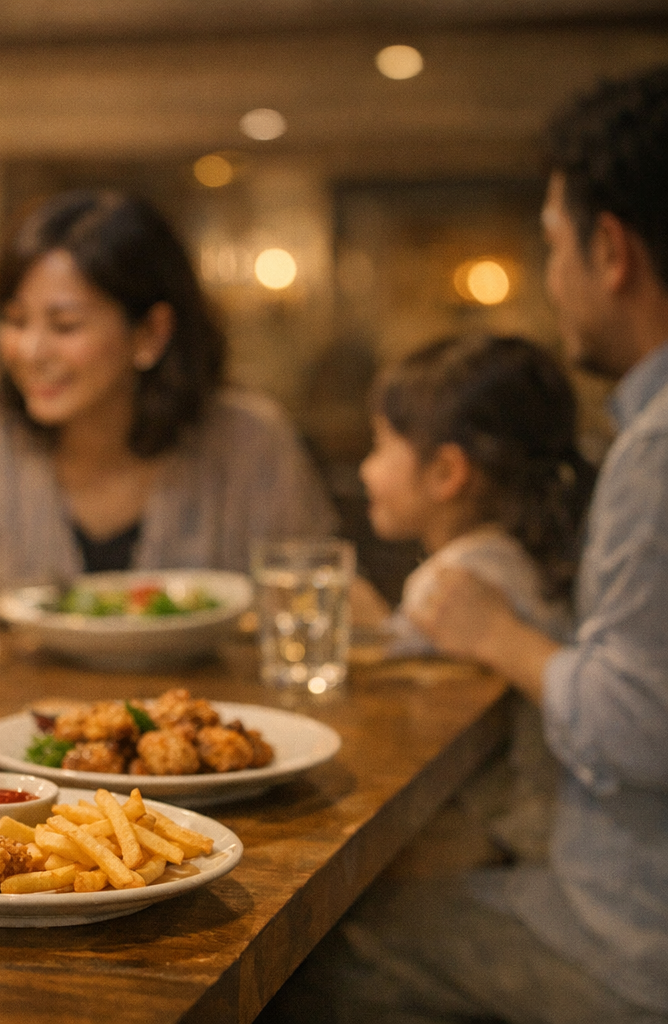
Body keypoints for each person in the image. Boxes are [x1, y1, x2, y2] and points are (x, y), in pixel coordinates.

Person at [273, 65, 668, 1024]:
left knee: (300, 954)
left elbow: (640, 727)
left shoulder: (657, 450)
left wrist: (501, 638)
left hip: (627, 934)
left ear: (609, 249)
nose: (551, 280)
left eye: (550, 246)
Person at [0, 189, 336, 586]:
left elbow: (321, 596)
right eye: (15, 321)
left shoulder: (249, 440)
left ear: (150, 334)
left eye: (65, 325)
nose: (30, 351)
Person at [355, 333, 593, 866]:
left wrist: (365, 630)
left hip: (510, 836)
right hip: (551, 820)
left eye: (380, 445)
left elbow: (398, 688)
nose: (366, 468)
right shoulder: (515, 555)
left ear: (446, 472)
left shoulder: (455, 575)